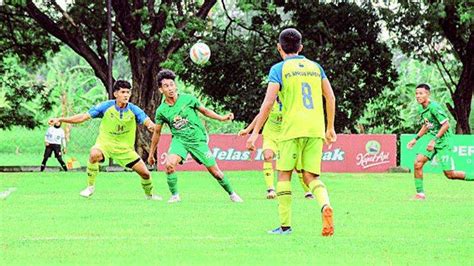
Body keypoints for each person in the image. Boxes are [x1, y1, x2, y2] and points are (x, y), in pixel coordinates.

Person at [246, 28, 336, 236]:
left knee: (284, 174)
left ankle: (285, 226)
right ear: (301, 47)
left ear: (279, 48)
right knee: (310, 176)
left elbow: (268, 102)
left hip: (292, 128)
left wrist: (255, 132)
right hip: (315, 129)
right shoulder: (316, 67)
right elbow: (330, 98)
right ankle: (325, 205)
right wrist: (329, 127)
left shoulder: (279, 69)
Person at [49, 80, 162, 200]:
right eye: (123, 92)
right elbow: (82, 117)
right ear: (115, 94)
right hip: (105, 144)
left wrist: (152, 127)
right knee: (94, 154)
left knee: (145, 173)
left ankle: (149, 196)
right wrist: (61, 119)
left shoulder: (134, 110)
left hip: (125, 149)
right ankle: (90, 187)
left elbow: (148, 122)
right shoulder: (105, 107)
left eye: (128, 92)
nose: (126, 95)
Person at [148, 69, 243, 203]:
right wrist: (151, 154)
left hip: (197, 140)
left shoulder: (188, 99)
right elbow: (157, 132)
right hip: (179, 140)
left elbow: (204, 111)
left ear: (175, 86)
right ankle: (175, 196)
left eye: (171, 84)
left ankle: (232, 194)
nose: (170, 88)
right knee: (169, 165)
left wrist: (222, 118)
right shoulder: (161, 111)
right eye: (166, 86)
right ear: (160, 90)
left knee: (215, 172)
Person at [406, 83, 473, 200]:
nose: (418, 96)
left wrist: (434, 140)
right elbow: (427, 125)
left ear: (428, 94)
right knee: (418, 163)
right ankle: (420, 194)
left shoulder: (434, 107)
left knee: (450, 174)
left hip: (444, 141)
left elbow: (446, 125)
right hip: (432, 138)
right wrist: (415, 139)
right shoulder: (421, 108)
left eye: (421, 93)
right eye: (416, 93)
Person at [239, 108, 314, 199]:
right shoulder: (272, 99)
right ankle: (271, 190)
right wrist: (248, 130)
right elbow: (261, 114)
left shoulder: (292, 99)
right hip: (270, 135)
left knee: (298, 166)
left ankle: (308, 192)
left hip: (288, 136)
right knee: (267, 156)